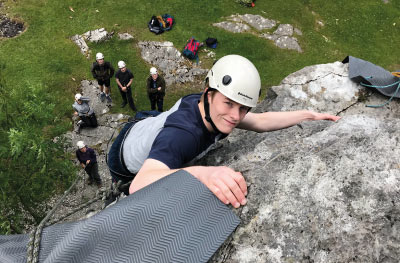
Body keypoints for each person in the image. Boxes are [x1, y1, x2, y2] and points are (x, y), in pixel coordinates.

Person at [107, 55, 341, 207]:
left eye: (242, 108)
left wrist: (309, 115)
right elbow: (140, 183)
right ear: (209, 94)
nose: (235, 116)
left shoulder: (211, 107)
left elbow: (259, 122)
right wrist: (203, 174)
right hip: (122, 159)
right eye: (229, 104)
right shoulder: (184, 135)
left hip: (147, 126)